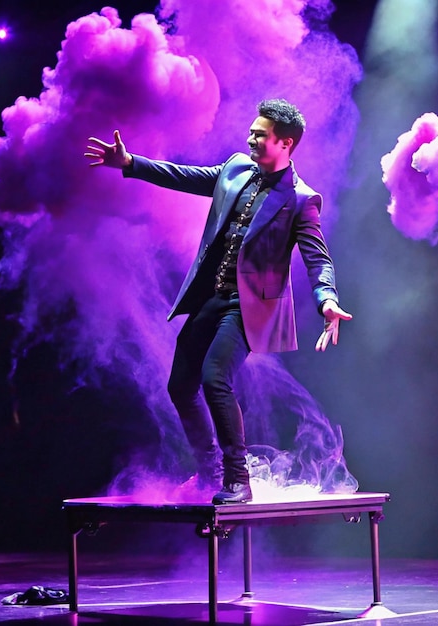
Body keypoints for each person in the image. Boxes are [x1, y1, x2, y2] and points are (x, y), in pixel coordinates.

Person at [85, 99, 352, 504]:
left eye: (260, 135)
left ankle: (236, 480)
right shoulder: (236, 168)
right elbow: (184, 176)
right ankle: (209, 472)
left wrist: (327, 301)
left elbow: (318, 258)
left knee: (215, 379)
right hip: (212, 296)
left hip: (249, 308)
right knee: (180, 386)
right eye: (252, 131)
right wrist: (130, 163)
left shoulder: (301, 199)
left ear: (286, 143)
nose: (251, 138)